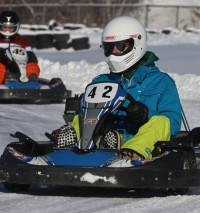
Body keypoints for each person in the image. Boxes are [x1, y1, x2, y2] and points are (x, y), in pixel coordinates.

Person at [53, 16, 182, 160]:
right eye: (109, 48)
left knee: (162, 121)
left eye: (120, 47)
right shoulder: (101, 81)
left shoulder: (162, 82)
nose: (113, 53)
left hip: (143, 143)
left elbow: (173, 123)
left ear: (136, 44)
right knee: (81, 116)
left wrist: (145, 116)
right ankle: (68, 144)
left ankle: (130, 153)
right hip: (102, 139)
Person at [0, 10, 40, 85]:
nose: (7, 31)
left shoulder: (22, 41)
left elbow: (33, 59)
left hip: (20, 71)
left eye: (10, 28)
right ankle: (4, 83)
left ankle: (31, 82)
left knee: (33, 66)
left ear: (16, 27)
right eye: (4, 27)